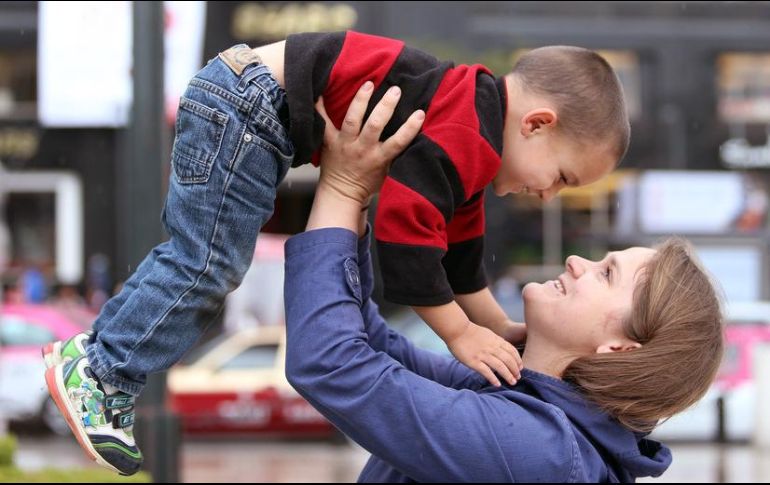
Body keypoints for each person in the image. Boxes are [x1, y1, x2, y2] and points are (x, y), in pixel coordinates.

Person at [43, 30, 628, 475]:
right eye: (562, 177)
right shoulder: (464, 133)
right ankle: (101, 368)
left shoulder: (472, 138)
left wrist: (495, 323)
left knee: (208, 261)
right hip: (249, 105)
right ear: (536, 124)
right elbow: (406, 236)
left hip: (253, 104)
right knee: (208, 263)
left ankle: (103, 364)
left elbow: (458, 251)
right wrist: (459, 333)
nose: (549, 194)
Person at [283, 86, 725, 482]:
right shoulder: (514, 396)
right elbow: (370, 344)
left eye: (606, 274)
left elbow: (331, 362)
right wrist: (358, 188)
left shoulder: (538, 450)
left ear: (621, 351)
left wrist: (344, 186)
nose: (575, 262)